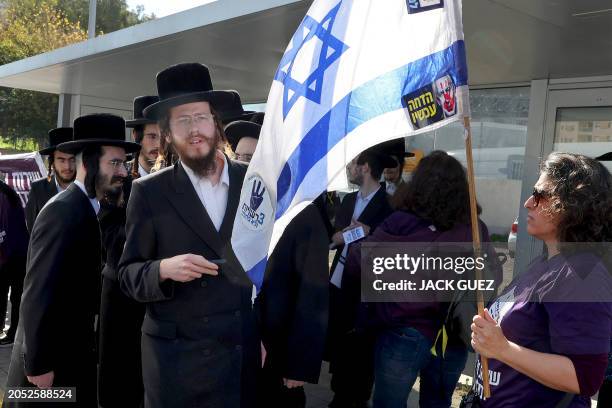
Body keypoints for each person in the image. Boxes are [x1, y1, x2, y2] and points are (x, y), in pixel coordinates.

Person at [118, 63, 258, 408]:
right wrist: (163, 269)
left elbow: (271, 265)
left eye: (200, 117)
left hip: (237, 356)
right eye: (182, 120)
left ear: (216, 123)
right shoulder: (148, 192)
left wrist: (264, 335)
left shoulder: (253, 182)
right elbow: (127, 274)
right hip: (176, 366)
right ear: (167, 132)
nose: (193, 130)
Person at [342, 151, 500, 408]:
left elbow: (358, 264)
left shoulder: (401, 222)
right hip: (454, 334)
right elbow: (490, 275)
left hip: (403, 332)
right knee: (438, 403)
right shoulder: (474, 227)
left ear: (419, 183)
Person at [4, 113, 139, 408]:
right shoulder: (62, 212)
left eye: (124, 163)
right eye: (114, 163)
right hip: (48, 368)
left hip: (71, 360)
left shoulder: (90, 208)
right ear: (89, 164)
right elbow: (36, 292)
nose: (123, 172)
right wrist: (38, 364)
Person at [470, 152, 612, 407]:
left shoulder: (582, 274)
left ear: (573, 203)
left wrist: (502, 349)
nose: (527, 203)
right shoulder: (548, 262)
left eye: (540, 195)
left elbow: (585, 378)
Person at [327, 147, 395, 408]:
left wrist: (370, 231)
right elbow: (334, 238)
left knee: (362, 348)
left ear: (365, 167)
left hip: (367, 289)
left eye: (353, 163)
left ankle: (357, 397)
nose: (348, 168)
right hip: (339, 283)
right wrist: (342, 236)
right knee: (340, 344)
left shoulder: (389, 205)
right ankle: (339, 393)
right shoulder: (347, 201)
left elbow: (394, 247)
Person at [255, 194, 330, 408]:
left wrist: (299, 366)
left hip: (277, 349)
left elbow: (313, 297)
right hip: (239, 344)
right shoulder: (239, 205)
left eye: (248, 158)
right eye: (240, 157)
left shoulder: (305, 214)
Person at [25, 127, 75, 233]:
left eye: (72, 160)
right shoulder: (38, 190)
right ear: (52, 162)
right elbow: (31, 232)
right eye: (62, 160)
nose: (68, 167)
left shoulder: (88, 189)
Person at [0, 180, 28, 347]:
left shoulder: (3, 195)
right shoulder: (5, 192)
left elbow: (4, 231)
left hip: (14, 254)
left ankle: (13, 334)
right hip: (11, 253)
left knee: (16, 297)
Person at [126, 95, 161, 177]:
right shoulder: (122, 176)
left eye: (163, 137)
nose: (158, 145)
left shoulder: (177, 176)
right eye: (152, 136)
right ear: (136, 135)